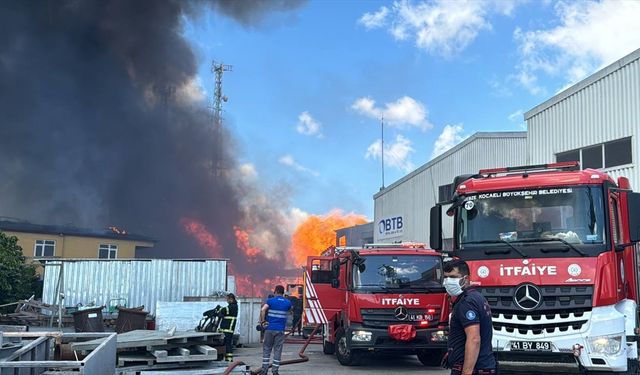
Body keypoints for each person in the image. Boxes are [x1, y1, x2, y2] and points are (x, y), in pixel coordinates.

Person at [443, 259, 496, 375]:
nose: (448, 282)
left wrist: (466, 372)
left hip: (473, 369)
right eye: (445, 277)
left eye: (453, 277)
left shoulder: (466, 302)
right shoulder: (476, 297)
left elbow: (474, 339)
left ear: (466, 279)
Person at [259, 285, 292, 375]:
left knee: (267, 349)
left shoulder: (270, 301)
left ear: (276, 291)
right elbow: (290, 311)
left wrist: (263, 321)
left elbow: (263, 310)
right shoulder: (287, 302)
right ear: (283, 292)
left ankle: (264, 370)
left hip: (269, 328)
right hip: (280, 330)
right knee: (277, 350)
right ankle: (275, 371)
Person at [217, 293, 238, 362]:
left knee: (228, 344)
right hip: (226, 329)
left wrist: (219, 309)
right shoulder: (232, 306)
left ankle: (229, 359)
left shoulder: (233, 307)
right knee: (225, 344)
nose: (227, 300)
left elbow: (224, 310)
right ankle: (226, 358)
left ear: (231, 299)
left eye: (227, 299)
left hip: (228, 329)